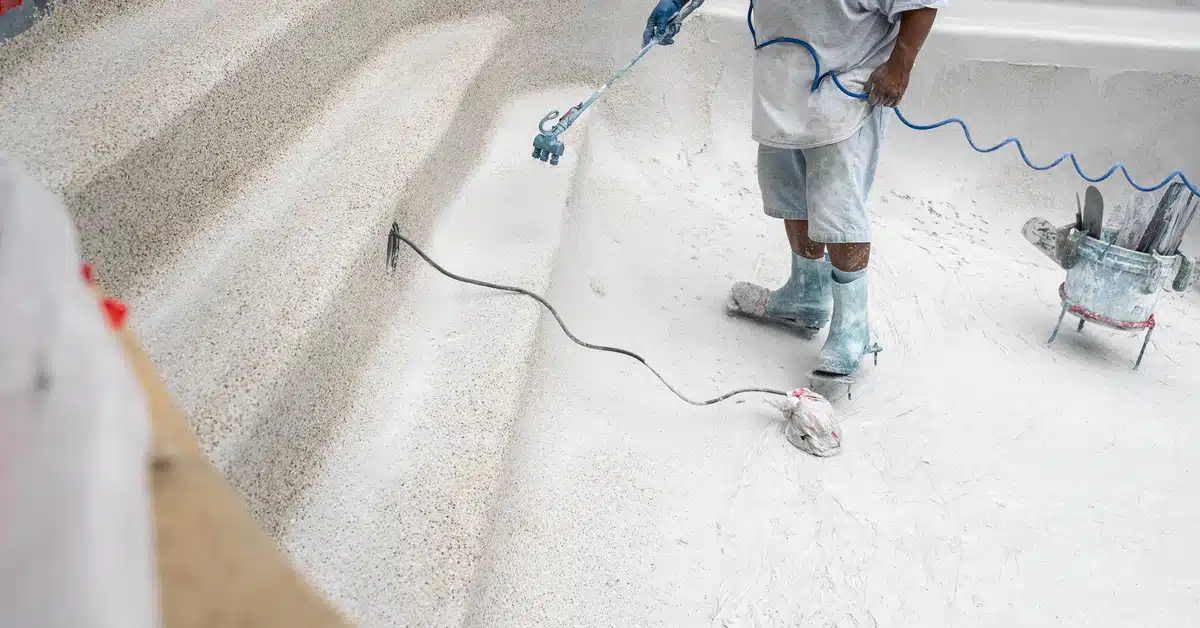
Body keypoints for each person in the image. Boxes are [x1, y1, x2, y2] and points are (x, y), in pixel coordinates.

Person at [644, 0, 943, 377]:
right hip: (783, 78)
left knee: (838, 208)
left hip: (847, 81)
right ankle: (806, 294)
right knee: (787, 190)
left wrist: (900, 65)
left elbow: (920, 4)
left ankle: (852, 326)